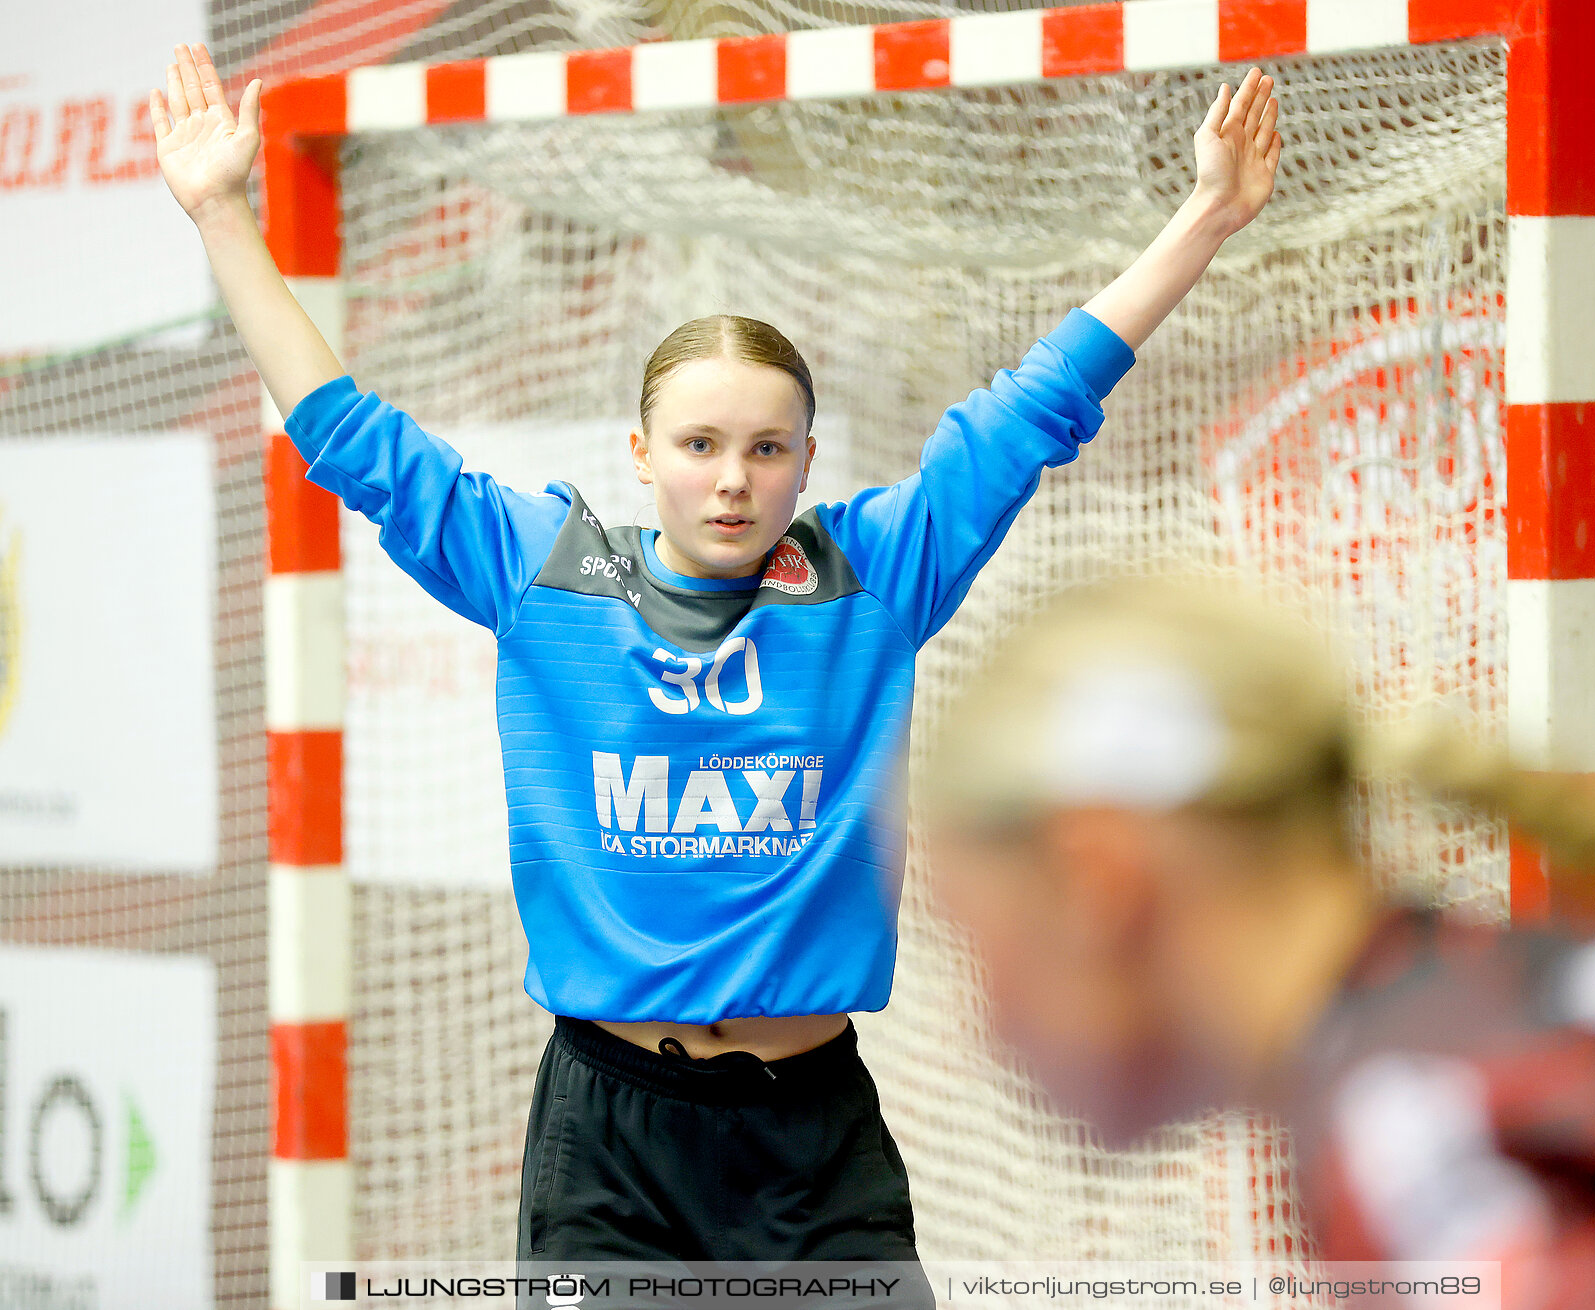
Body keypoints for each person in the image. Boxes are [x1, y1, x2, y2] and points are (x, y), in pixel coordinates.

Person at [150, 40, 1286, 1271]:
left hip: (814, 1134)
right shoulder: (546, 572)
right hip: (609, 1139)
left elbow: (1032, 410)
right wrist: (220, 212)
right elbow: (350, 437)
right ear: (641, 453)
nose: (732, 477)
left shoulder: (871, 577)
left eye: (765, 447)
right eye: (699, 442)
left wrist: (1206, 216)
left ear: (808, 460)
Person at [921, 570, 1595, 1309]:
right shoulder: (1482, 996)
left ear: (1097, 880)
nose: (984, 1029)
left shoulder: (1412, 1123)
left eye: (979, 951)